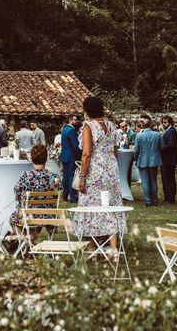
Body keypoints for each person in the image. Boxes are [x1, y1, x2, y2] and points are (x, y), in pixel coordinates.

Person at [76, 96, 126, 253]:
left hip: (95, 171)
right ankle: (113, 248)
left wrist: (82, 177)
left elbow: (86, 154)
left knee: (91, 205)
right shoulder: (111, 126)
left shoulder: (88, 126)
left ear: (88, 110)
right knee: (110, 204)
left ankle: (91, 246)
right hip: (111, 170)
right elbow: (115, 151)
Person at [10, 144, 62, 238]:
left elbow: (17, 195)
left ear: (32, 158)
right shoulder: (54, 177)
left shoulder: (26, 175)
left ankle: (27, 240)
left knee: (13, 218)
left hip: (30, 215)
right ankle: (31, 239)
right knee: (40, 214)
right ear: (46, 159)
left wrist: (22, 199)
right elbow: (59, 195)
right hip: (49, 216)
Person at [134, 116, 163, 206]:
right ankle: (154, 200)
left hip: (142, 160)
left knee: (145, 181)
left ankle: (148, 201)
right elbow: (161, 147)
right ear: (150, 125)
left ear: (142, 125)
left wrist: (135, 158)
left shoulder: (139, 136)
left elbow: (136, 150)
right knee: (153, 181)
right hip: (154, 160)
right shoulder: (157, 135)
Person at [160, 116, 177, 204]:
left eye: (165, 122)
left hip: (169, 160)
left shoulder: (172, 131)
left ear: (170, 123)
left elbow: (172, 145)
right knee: (166, 179)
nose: (163, 124)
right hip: (166, 159)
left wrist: (161, 147)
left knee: (169, 179)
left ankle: (170, 198)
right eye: (163, 122)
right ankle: (168, 197)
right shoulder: (168, 131)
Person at [59, 115, 81, 203]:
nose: (76, 122)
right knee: (72, 176)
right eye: (75, 120)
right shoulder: (72, 130)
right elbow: (75, 145)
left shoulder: (64, 130)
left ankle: (64, 195)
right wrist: (80, 155)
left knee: (66, 176)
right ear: (70, 120)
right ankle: (72, 197)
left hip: (64, 156)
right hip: (71, 156)